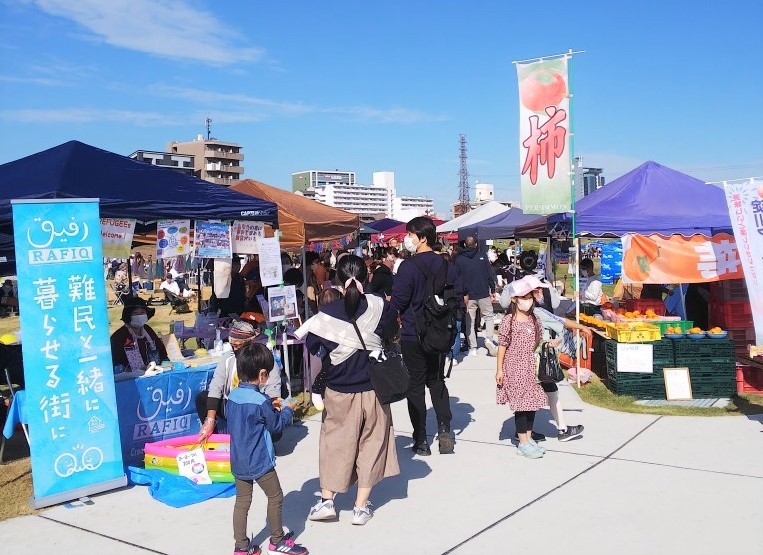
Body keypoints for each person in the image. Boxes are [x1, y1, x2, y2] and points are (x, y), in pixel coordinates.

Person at [296, 255, 399, 525]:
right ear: (367, 277)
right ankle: (360, 507)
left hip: (339, 389)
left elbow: (313, 347)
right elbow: (390, 333)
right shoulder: (380, 307)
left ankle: (327, 501)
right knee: (372, 444)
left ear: (338, 281)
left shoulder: (326, 314)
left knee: (334, 445)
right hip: (375, 388)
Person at [227, 342, 308, 555]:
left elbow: (248, 417)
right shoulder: (260, 400)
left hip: (238, 460)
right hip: (260, 461)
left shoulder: (233, 396)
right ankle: (277, 541)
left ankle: (241, 546)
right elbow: (276, 426)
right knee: (276, 496)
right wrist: (288, 410)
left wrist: (268, 407)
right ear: (263, 374)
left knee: (242, 502)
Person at [392, 216, 463, 456]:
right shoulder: (446, 265)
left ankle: (421, 439)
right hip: (439, 332)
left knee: (415, 385)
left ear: (422, 238)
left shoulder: (408, 267)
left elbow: (400, 302)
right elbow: (456, 295)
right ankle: (445, 429)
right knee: (436, 381)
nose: (407, 239)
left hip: (414, 333)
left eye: (410, 235)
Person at [500, 276, 585, 443]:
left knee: (531, 401)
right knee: (538, 397)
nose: (538, 294)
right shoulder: (533, 315)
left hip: (529, 362)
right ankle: (560, 429)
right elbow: (561, 321)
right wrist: (582, 327)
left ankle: (525, 434)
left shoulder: (521, 315)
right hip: (536, 363)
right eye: (535, 291)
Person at [495, 275, 548, 459]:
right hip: (514, 368)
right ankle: (522, 441)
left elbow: (538, 342)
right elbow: (502, 345)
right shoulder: (508, 321)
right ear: (514, 299)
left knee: (531, 404)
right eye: (523, 298)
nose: (527, 301)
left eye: (529, 297)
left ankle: (529, 436)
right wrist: (499, 369)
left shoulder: (535, 320)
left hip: (530, 368)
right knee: (520, 406)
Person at [454, 235, 498, 357]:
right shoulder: (482, 256)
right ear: (476, 245)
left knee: (470, 321)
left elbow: (457, 278)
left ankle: (472, 347)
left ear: (464, 245)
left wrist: (460, 293)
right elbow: (490, 273)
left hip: (467, 294)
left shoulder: (459, 259)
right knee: (488, 317)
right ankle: (489, 338)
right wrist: (492, 289)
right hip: (483, 291)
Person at [110, 298, 167, 371]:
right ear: (128, 315)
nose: (139, 315)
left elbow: (161, 350)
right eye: (135, 313)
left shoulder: (148, 330)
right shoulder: (119, 336)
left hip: (155, 371)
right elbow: (115, 363)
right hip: (130, 377)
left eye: (142, 312)